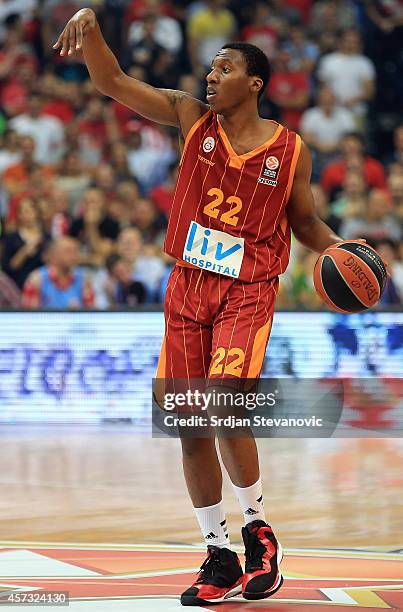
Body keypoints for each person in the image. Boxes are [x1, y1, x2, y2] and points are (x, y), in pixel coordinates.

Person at [54, 10, 344, 605]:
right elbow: (112, 83)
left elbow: (307, 222)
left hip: (248, 288)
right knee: (189, 424)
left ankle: (259, 531)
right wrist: (92, 27)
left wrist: (345, 253)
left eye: (226, 68)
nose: (213, 76)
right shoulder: (190, 117)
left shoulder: (289, 151)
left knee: (224, 398)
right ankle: (217, 552)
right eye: (212, 67)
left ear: (255, 82)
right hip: (188, 286)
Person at [22, 235, 95, 308]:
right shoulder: (37, 279)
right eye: (68, 251)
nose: (74, 256)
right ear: (54, 255)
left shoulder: (84, 279)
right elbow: (29, 314)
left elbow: (91, 313)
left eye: (76, 251)